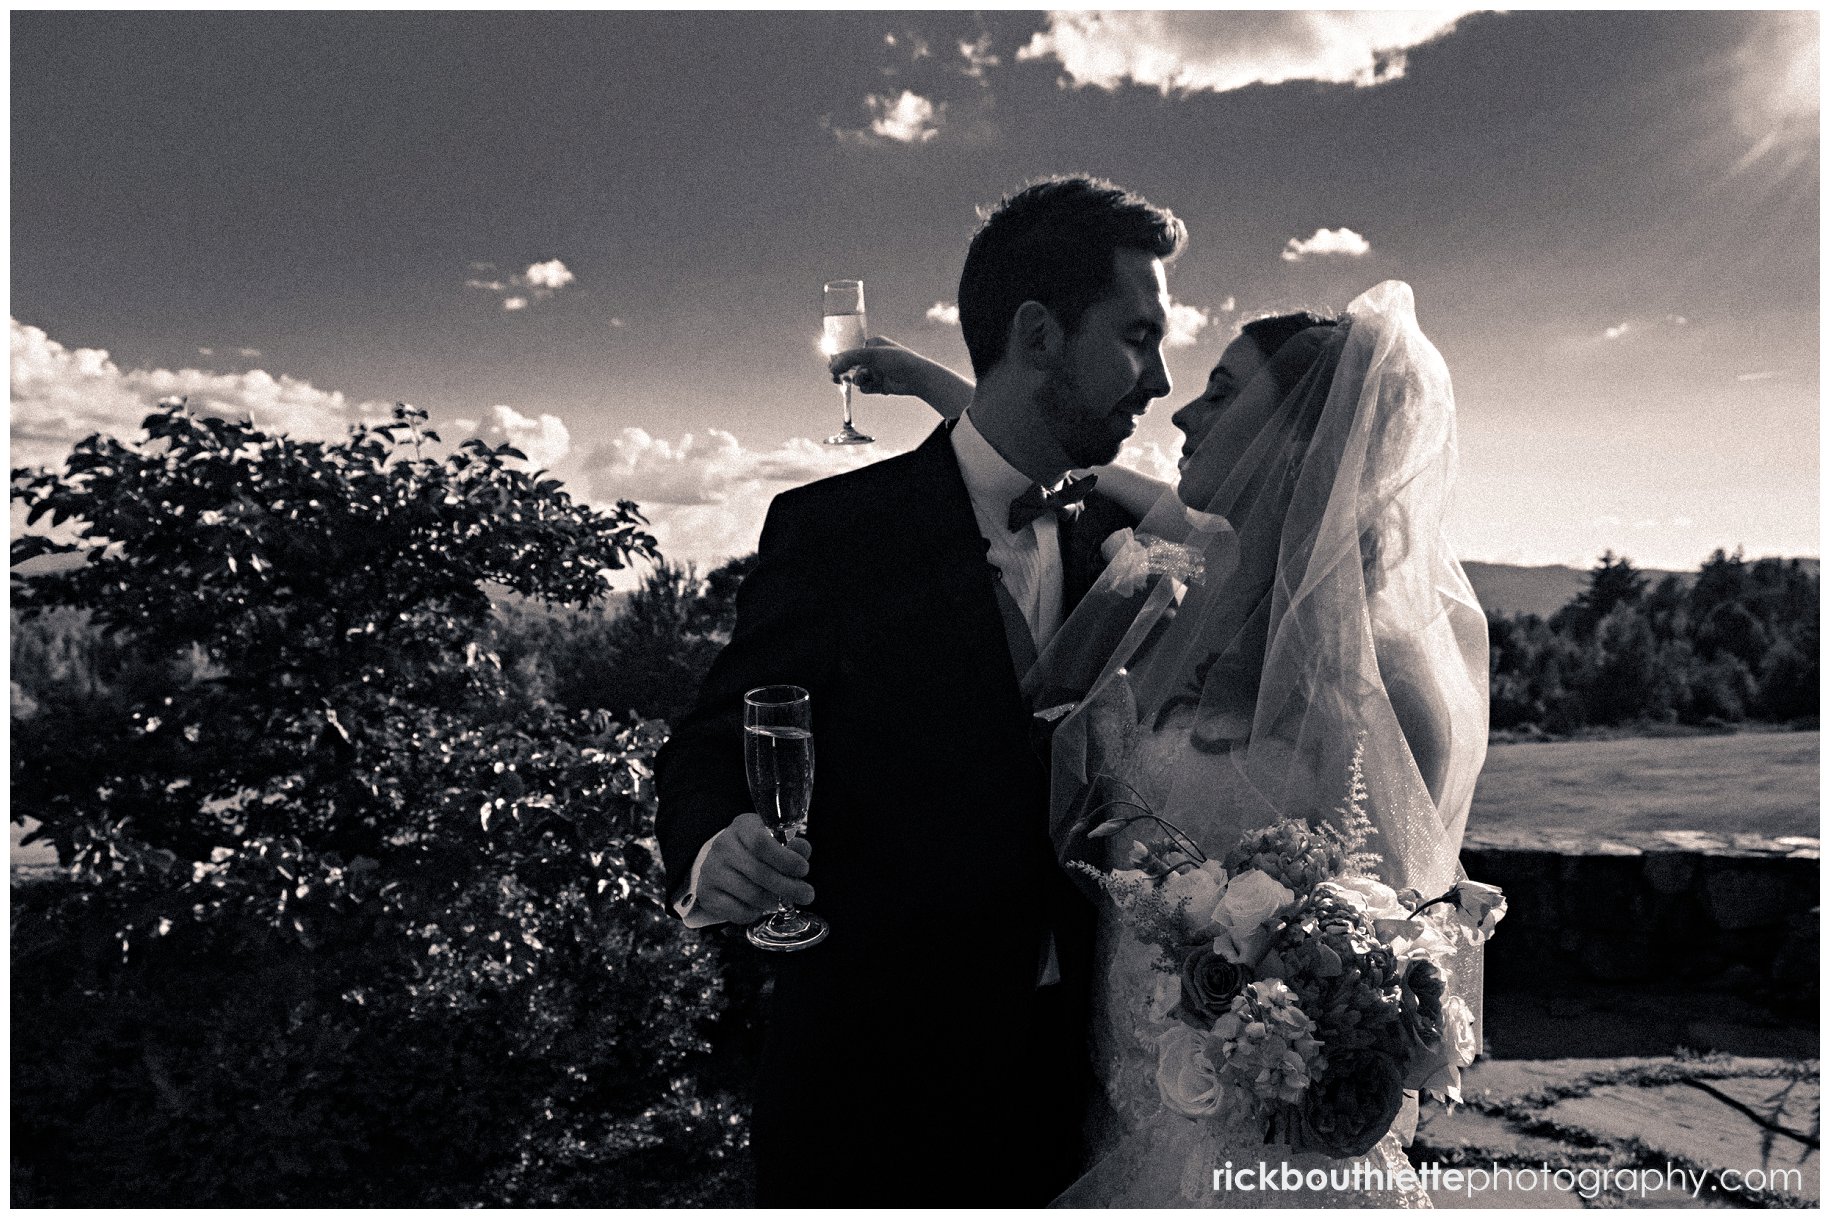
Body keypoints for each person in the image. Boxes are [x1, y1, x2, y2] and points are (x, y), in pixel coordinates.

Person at [840, 281, 1488, 1206]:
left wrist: (1276, 1056)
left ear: (1298, 435)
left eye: (1222, 391)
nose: (1183, 408)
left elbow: (1400, 933)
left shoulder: (1378, 673)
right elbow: (1037, 462)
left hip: (1264, 1138)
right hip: (1118, 1098)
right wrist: (913, 374)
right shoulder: (1193, 564)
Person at [653, 175, 1186, 1206]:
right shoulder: (837, 531)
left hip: (1074, 1103)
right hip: (870, 1108)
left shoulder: (1120, 541)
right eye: (1135, 336)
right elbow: (711, 741)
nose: (1160, 378)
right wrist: (716, 839)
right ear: (1039, 335)